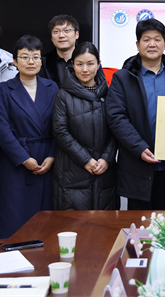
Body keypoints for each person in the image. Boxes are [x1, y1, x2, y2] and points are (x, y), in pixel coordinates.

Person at [106, 18, 165, 210]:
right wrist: (139, 147)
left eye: (157, 39)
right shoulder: (123, 77)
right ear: (138, 44)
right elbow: (116, 117)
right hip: (137, 164)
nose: (152, 44)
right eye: (146, 39)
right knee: (140, 224)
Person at [0, 35, 59, 238]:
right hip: (16, 162)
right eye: (24, 57)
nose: (31, 62)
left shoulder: (52, 87)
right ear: (15, 61)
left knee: (45, 219)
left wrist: (52, 155)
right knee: (14, 216)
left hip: (46, 161)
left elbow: (59, 126)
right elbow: (2, 129)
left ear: (41, 60)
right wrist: (23, 158)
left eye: (35, 57)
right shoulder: (4, 90)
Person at [52, 42, 117, 210]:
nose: (85, 69)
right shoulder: (63, 95)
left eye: (90, 64)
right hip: (72, 172)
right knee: (75, 223)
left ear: (99, 64)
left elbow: (116, 129)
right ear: (72, 65)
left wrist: (106, 158)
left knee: (104, 222)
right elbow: (60, 131)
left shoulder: (110, 93)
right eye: (79, 64)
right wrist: (86, 160)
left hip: (104, 170)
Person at [39, 14, 80, 87]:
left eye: (67, 30)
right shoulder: (43, 62)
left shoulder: (89, 60)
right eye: (56, 31)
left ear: (76, 34)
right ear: (51, 38)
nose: (61, 35)